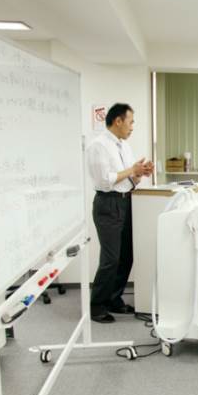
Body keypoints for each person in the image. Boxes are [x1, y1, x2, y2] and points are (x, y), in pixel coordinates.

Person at [86, 103, 153, 323]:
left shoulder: (124, 145)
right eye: (131, 121)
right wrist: (131, 170)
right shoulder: (99, 145)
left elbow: (127, 178)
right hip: (108, 205)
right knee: (110, 258)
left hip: (126, 202)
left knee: (126, 255)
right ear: (118, 121)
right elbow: (104, 180)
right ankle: (96, 305)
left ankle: (114, 299)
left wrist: (139, 173)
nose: (132, 126)